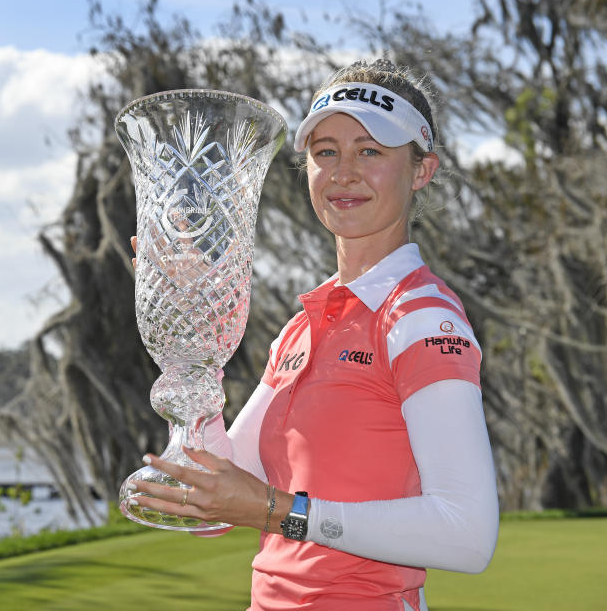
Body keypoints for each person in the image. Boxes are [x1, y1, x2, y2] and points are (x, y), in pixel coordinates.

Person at [126, 59, 500, 611]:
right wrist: (192, 349)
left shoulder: (421, 315)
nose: (342, 172)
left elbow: (467, 533)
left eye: (369, 151)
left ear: (422, 170)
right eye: (325, 152)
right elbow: (215, 506)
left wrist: (276, 512)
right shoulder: (304, 325)